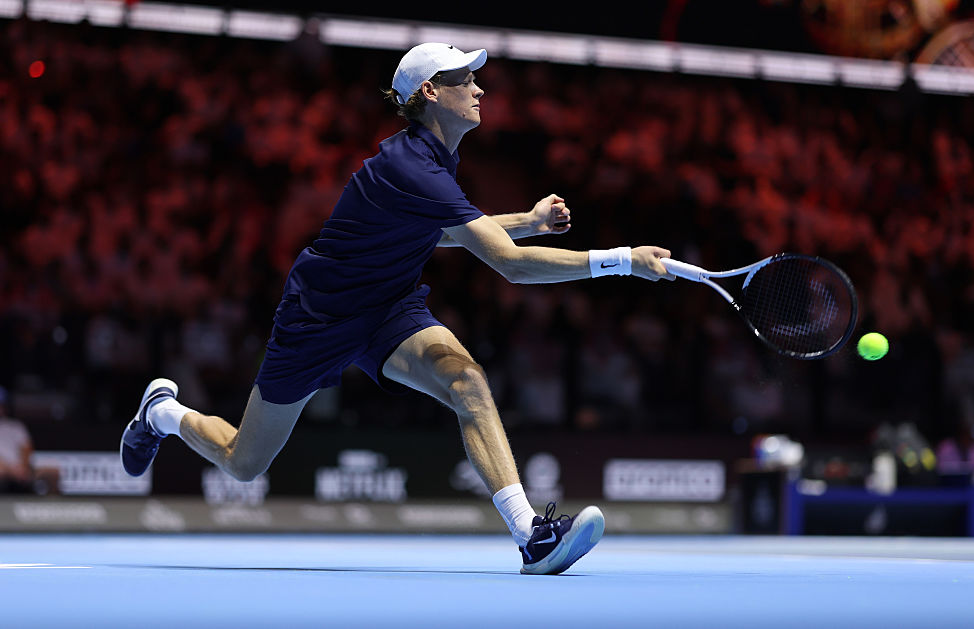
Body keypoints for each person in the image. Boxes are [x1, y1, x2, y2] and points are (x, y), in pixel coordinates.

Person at [120, 42, 674, 575]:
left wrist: (527, 222)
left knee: (467, 382)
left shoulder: (436, 160)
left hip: (389, 309)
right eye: (466, 81)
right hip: (319, 318)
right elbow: (510, 265)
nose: (479, 89)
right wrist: (623, 260)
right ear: (431, 92)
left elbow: (445, 232)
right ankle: (162, 414)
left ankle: (532, 536)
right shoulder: (411, 167)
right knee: (244, 462)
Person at [0, 386, 36, 494]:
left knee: (52, 473)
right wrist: (10, 470)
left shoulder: (16, 426)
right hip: (4, 468)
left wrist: (23, 466)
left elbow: (26, 448)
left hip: (19, 469)